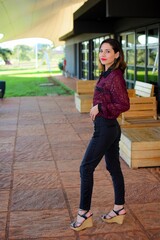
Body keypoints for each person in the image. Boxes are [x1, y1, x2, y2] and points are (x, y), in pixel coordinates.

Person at [70, 38, 130, 231]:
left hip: (106, 129)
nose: (103, 54)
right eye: (101, 51)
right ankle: (119, 209)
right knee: (113, 168)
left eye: (108, 51)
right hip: (107, 127)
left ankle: (84, 214)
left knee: (85, 168)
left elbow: (124, 104)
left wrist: (100, 107)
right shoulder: (107, 73)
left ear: (117, 54)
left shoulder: (115, 76)